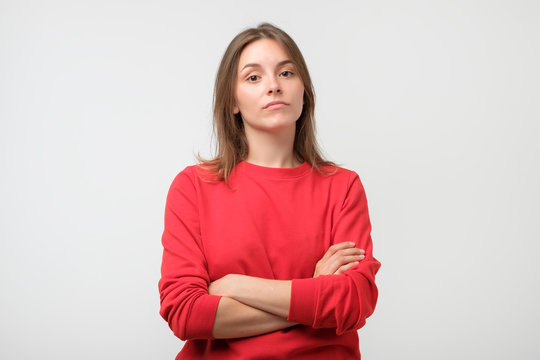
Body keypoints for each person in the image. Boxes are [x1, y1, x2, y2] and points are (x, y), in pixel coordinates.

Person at [158, 23, 381, 359]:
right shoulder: (193, 187)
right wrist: (314, 293)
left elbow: (353, 302)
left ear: (303, 90)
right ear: (232, 101)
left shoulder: (342, 186)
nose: (274, 86)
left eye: (286, 73)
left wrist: (238, 286)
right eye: (253, 77)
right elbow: (185, 314)